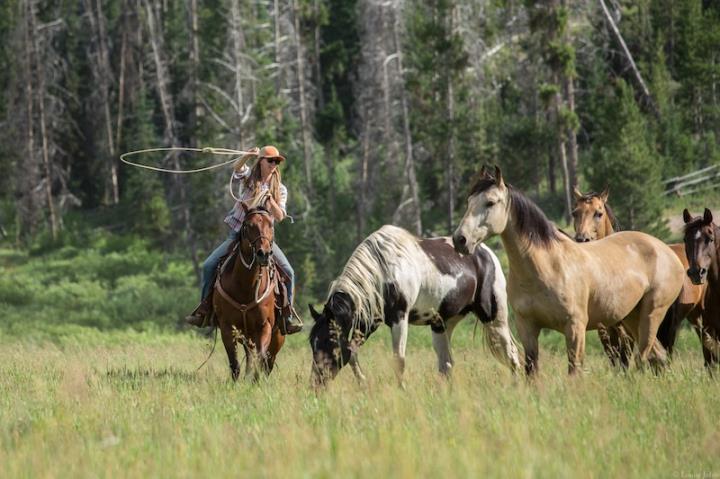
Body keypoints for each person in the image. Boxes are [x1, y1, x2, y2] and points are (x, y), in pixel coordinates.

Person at [185, 145, 303, 334]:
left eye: (277, 161)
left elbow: (280, 216)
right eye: (270, 160)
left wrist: (269, 200)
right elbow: (237, 168)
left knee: (289, 272)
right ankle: (204, 310)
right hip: (239, 234)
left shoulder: (280, 189)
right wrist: (248, 155)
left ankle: (287, 317)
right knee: (208, 265)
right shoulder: (249, 179)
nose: (274, 164)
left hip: (264, 240)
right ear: (261, 161)